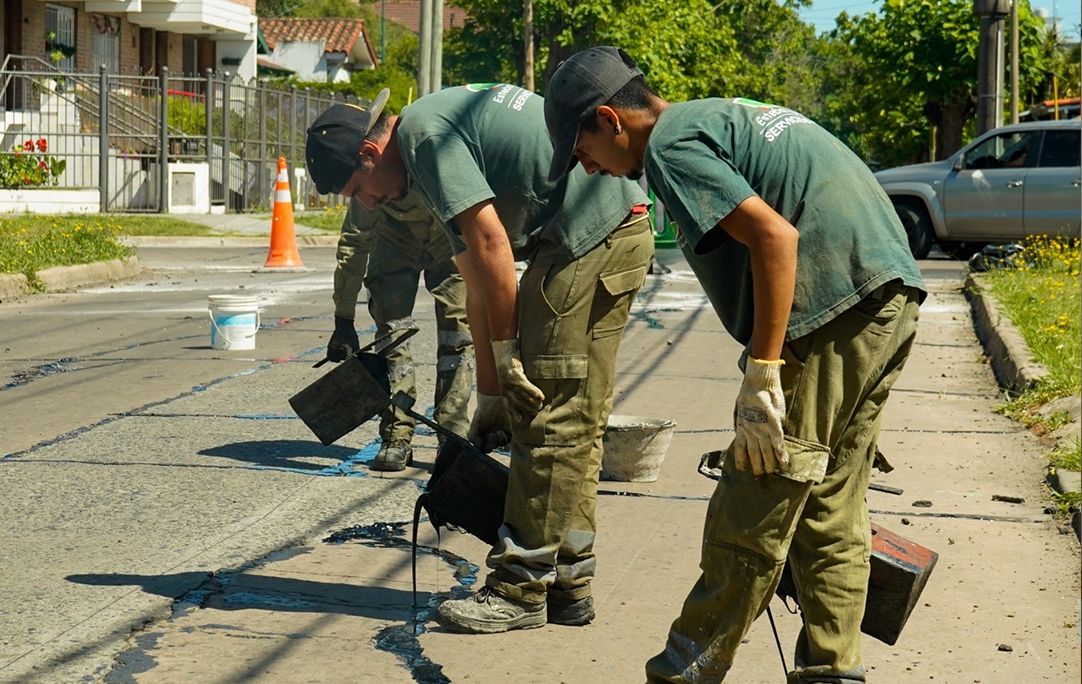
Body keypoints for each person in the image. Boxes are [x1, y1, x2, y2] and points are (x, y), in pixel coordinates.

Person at [542, 47, 926, 684]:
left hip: (832, 306)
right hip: (887, 296)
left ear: (610, 120)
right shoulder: (712, 116)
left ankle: (684, 672)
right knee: (829, 504)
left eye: (579, 149)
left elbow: (776, 237)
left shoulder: (669, 146)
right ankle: (831, 670)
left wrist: (764, 373)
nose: (584, 165)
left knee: (757, 493)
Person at [305, 86, 654, 633]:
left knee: (545, 416)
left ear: (370, 155)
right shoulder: (427, 146)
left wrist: (511, 355)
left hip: (589, 237)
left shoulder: (423, 138)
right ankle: (568, 579)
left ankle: (520, 587)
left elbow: (492, 246)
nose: (368, 205)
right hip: (614, 228)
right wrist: (489, 393)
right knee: (576, 416)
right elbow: (474, 281)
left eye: (359, 191)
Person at [326, 193, 473, 471]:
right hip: (394, 238)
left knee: (458, 331)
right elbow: (355, 240)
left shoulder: (436, 155)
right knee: (391, 332)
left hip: (450, 233)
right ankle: (397, 434)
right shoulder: (368, 180)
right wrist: (343, 317)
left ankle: (453, 436)